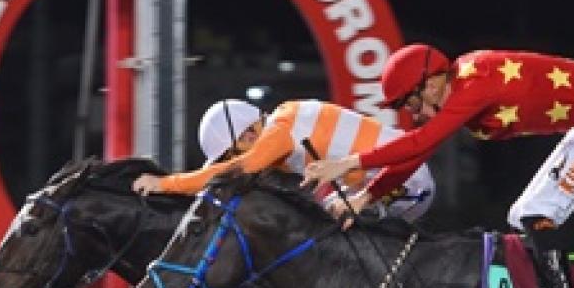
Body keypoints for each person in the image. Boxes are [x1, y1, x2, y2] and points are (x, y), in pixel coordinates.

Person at [302, 44, 574, 288]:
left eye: (412, 102)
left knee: (537, 211)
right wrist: (366, 196)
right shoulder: (460, 84)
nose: (414, 113)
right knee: (522, 214)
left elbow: (419, 142)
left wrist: (347, 163)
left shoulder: (474, 83)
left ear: (433, 83)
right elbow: (419, 152)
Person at [133, 98, 435, 222]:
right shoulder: (281, 128)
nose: (235, 158)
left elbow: (231, 171)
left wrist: (165, 184)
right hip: (391, 182)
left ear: (248, 135)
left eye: (232, 150)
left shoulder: (280, 130)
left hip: (405, 181)